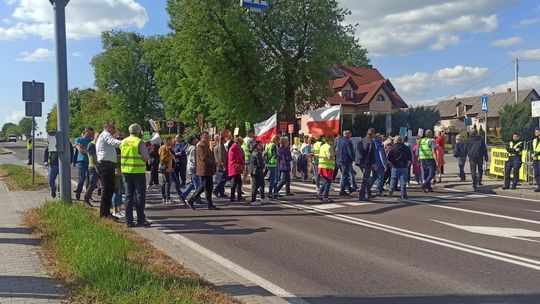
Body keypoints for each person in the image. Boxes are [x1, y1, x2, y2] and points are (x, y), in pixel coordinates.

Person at [120, 123, 151, 227]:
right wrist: (149, 150)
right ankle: (141, 220)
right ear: (139, 132)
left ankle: (128, 221)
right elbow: (145, 158)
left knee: (128, 196)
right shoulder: (139, 142)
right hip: (138, 172)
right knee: (140, 196)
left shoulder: (123, 141)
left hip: (126, 171)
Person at [96, 122, 122, 218]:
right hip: (105, 164)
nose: (115, 129)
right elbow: (114, 142)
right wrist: (127, 142)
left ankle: (106, 213)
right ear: (107, 127)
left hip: (107, 164)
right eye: (113, 127)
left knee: (109, 189)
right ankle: (104, 214)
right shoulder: (106, 135)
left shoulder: (105, 135)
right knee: (107, 189)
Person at [188, 131, 220, 210]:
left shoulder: (205, 145)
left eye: (208, 136)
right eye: (206, 137)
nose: (208, 138)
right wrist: (214, 163)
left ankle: (195, 200)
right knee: (207, 187)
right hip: (204, 170)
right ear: (201, 138)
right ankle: (195, 200)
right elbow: (203, 158)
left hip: (207, 170)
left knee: (205, 186)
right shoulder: (201, 146)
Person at [355, 129, 377, 201]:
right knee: (366, 179)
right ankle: (362, 195)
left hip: (360, 161)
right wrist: (374, 163)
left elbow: (357, 150)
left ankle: (367, 193)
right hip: (367, 162)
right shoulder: (370, 142)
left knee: (366, 178)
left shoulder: (361, 141)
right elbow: (371, 154)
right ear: (371, 134)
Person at [179, 136, 200, 207]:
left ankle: (183, 195)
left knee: (192, 184)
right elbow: (194, 159)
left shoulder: (189, 147)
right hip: (193, 168)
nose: (198, 140)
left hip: (190, 167)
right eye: (196, 139)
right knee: (198, 185)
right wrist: (198, 166)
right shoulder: (194, 148)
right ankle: (197, 199)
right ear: (193, 140)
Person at [74, 127, 94, 201]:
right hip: (82, 161)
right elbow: (80, 149)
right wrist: (88, 151)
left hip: (91, 161)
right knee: (82, 178)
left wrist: (85, 149)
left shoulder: (92, 141)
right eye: (89, 132)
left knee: (91, 180)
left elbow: (93, 151)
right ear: (85, 132)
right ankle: (78, 192)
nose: (90, 134)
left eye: (91, 133)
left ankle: (88, 195)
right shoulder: (78, 139)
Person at [83, 132, 100, 206]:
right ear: (94, 137)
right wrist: (96, 167)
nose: (99, 138)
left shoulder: (99, 144)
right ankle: (86, 199)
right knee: (92, 184)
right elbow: (92, 157)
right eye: (97, 136)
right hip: (93, 167)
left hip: (99, 167)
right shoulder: (92, 145)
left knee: (102, 184)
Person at [336, 130, 355, 196]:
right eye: (350, 135)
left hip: (339, 159)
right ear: (348, 134)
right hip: (345, 160)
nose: (350, 136)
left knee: (344, 174)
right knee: (344, 175)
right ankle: (342, 190)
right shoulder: (348, 141)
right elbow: (350, 152)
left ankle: (349, 188)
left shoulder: (339, 140)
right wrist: (353, 159)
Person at [318, 135, 336, 203]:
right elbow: (329, 157)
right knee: (328, 182)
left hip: (322, 166)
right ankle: (325, 197)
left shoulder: (323, 146)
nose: (333, 142)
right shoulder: (329, 147)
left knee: (326, 181)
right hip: (327, 167)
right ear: (328, 140)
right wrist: (335, 153)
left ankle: (320, 193)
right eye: (332, 140)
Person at [159, 137, 176, 204]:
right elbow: (163, 158)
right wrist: (170, 157)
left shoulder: (166, 148)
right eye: (170, 141)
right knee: (167, 183)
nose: (171, 142)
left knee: (165, 183)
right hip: (165, 168)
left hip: (167, 167)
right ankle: (167, 198)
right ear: (167, 141)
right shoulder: (164, 148)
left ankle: (164, 198)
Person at [228, 136, 245, 202]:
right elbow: (234, 158)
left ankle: (238, 196)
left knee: (238, 182)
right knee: (235, 182)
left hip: (236, 167)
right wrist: (240, 161)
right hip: (234, 167)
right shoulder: (233, 148)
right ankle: (233, 197)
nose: (240, 145)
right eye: (240, 143)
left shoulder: (236, 148)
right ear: (237, 143)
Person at [112, 133, 125, 218]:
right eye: (118, 138)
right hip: (115, 172)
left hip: (122, 172)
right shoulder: (113, 149)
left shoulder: (123, 149)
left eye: (121, 138)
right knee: (116, 191)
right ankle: (114, 209)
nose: (120, 140)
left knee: (120, 191)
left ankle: (119, 209)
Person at [250, 141, 266, 205]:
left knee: (262, 184)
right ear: (256, 146)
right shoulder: (257, 153)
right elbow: (260, 164)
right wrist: (264, 163)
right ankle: (253, 200)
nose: (261, 146)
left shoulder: (254, 152)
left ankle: (263, 197)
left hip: (255, 171)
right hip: (257, 171)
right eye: (260, 145)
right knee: (256, 186)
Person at [530, 127, 540, 192]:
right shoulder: (534, 140)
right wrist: (532, 155)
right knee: (536, 173)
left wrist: (535, 154)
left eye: (536, 132)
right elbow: (532, 149)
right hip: (535, 159)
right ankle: (539, 186)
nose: (534, 133)